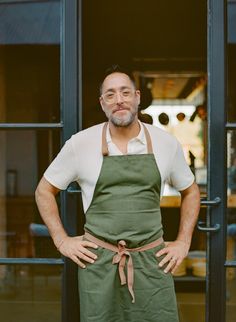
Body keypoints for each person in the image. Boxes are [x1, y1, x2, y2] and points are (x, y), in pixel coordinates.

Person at [35, 65, 200, 322]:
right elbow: (44, 190)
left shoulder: (166, 143)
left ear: (137, 97)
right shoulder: (80, 144)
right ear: (102, 103)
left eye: (125, 92)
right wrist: (61, 240)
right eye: (110, 95)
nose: (119, 100)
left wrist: (183, 241)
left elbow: (190, 191)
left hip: (152, 262)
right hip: (99, 264)